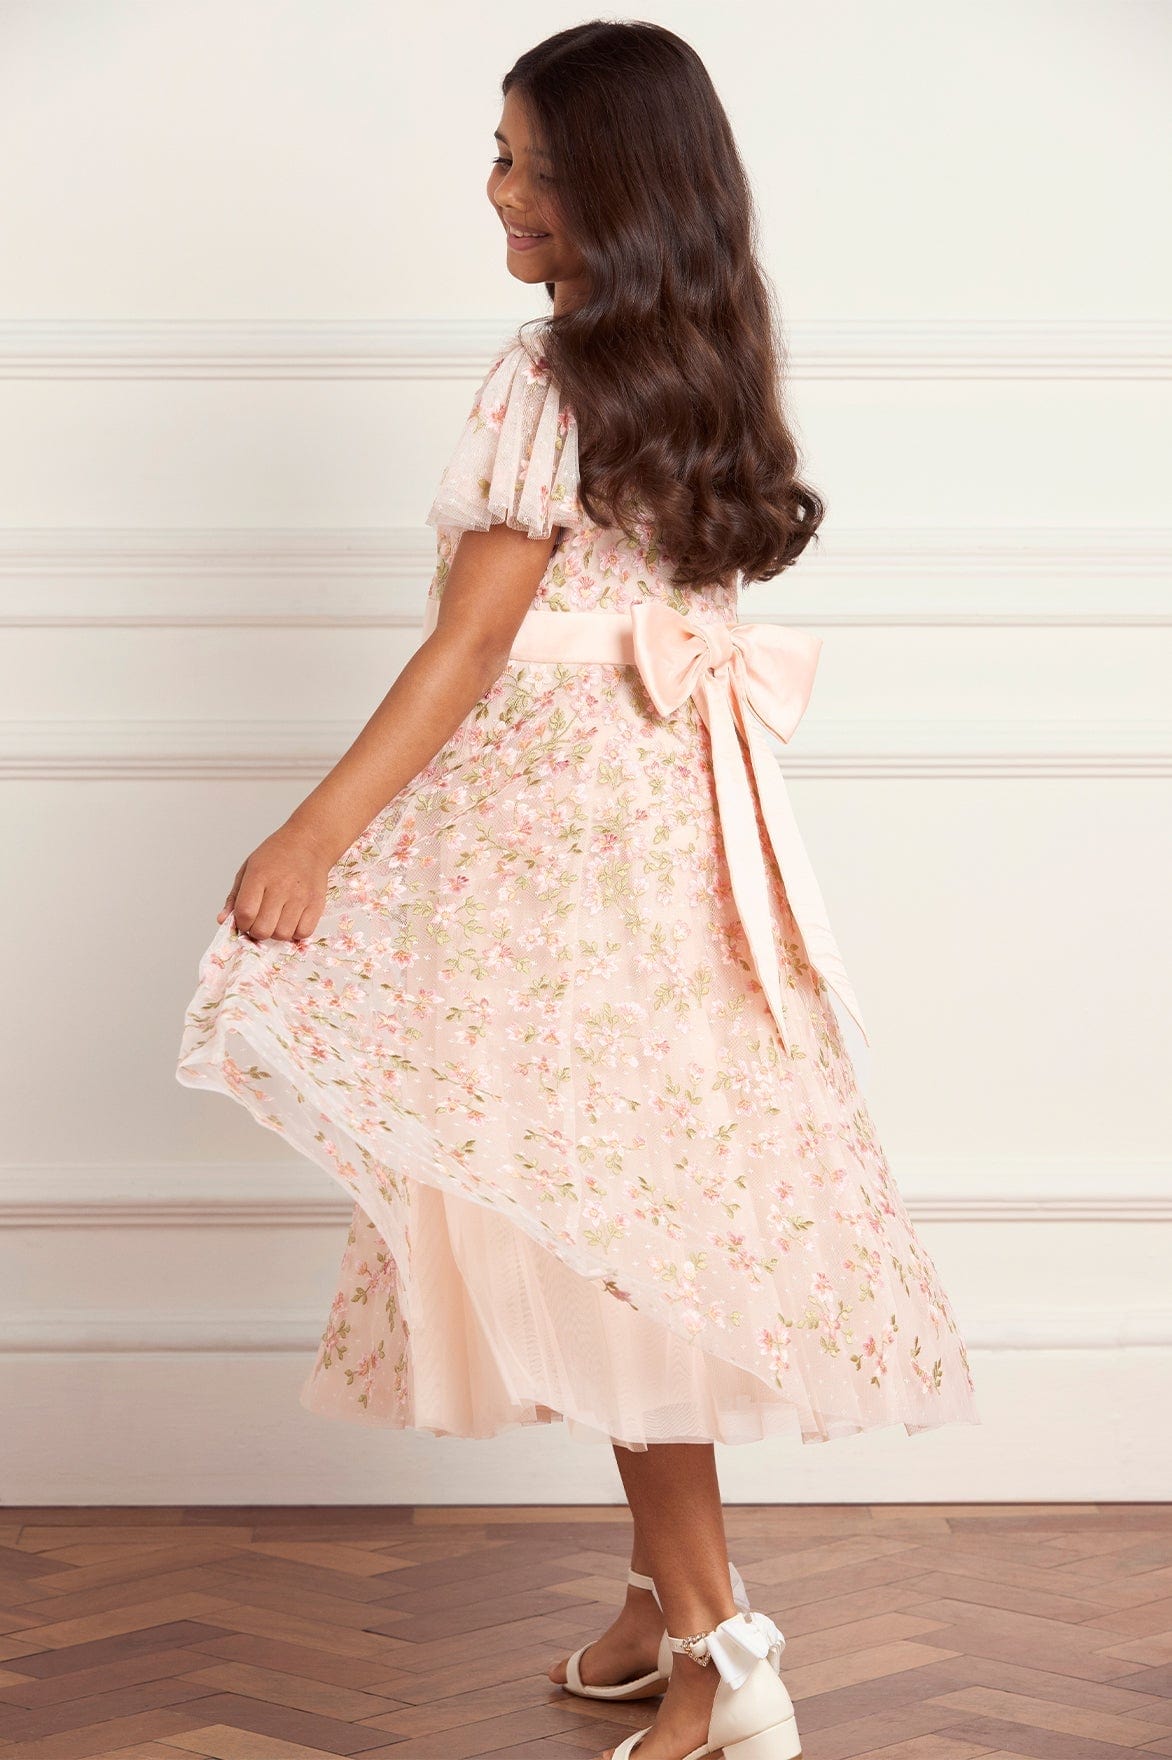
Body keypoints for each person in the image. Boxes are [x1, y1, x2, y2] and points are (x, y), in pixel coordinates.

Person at [176, 21, 979, 1759]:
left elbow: (472, 647)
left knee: (604, 1233)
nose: (501, 192)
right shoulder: (710, 357)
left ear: (623, 188)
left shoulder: (544, 373)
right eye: (500, 155)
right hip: (671, 846)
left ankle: (721, 1648)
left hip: (558, 867)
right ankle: (649, 1594)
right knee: (626, 1202)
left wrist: (313, 836)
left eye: (535, 166)